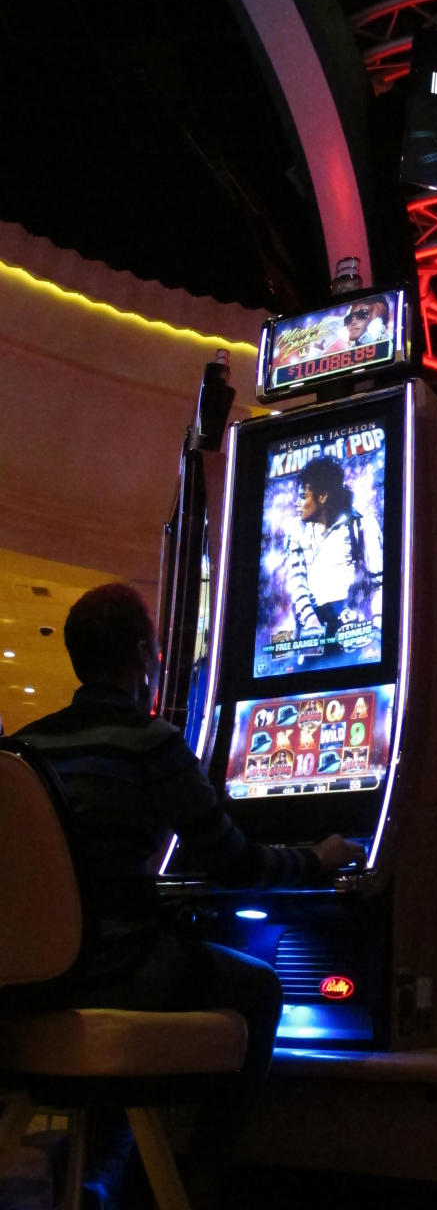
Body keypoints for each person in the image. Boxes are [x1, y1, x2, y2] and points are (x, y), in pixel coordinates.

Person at [9, 583, 366, 1205]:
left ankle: (100, 1168)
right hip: (112, 971)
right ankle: (201, 1181)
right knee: (258, 986)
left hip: (25, 987)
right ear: (146, 656)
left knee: (164, 953)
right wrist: (318, 856)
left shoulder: (22, 748)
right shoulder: (150, 742)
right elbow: (235, 862)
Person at [284, 455, 383, 654]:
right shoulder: (295, 531)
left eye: (303, 496)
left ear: (323, 496)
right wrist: (310, 620)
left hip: (355, 629)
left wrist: (377, 626)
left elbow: (379, 583)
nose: (297, 502)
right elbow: (296, 581)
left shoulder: (362, 525)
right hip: (313, 629)